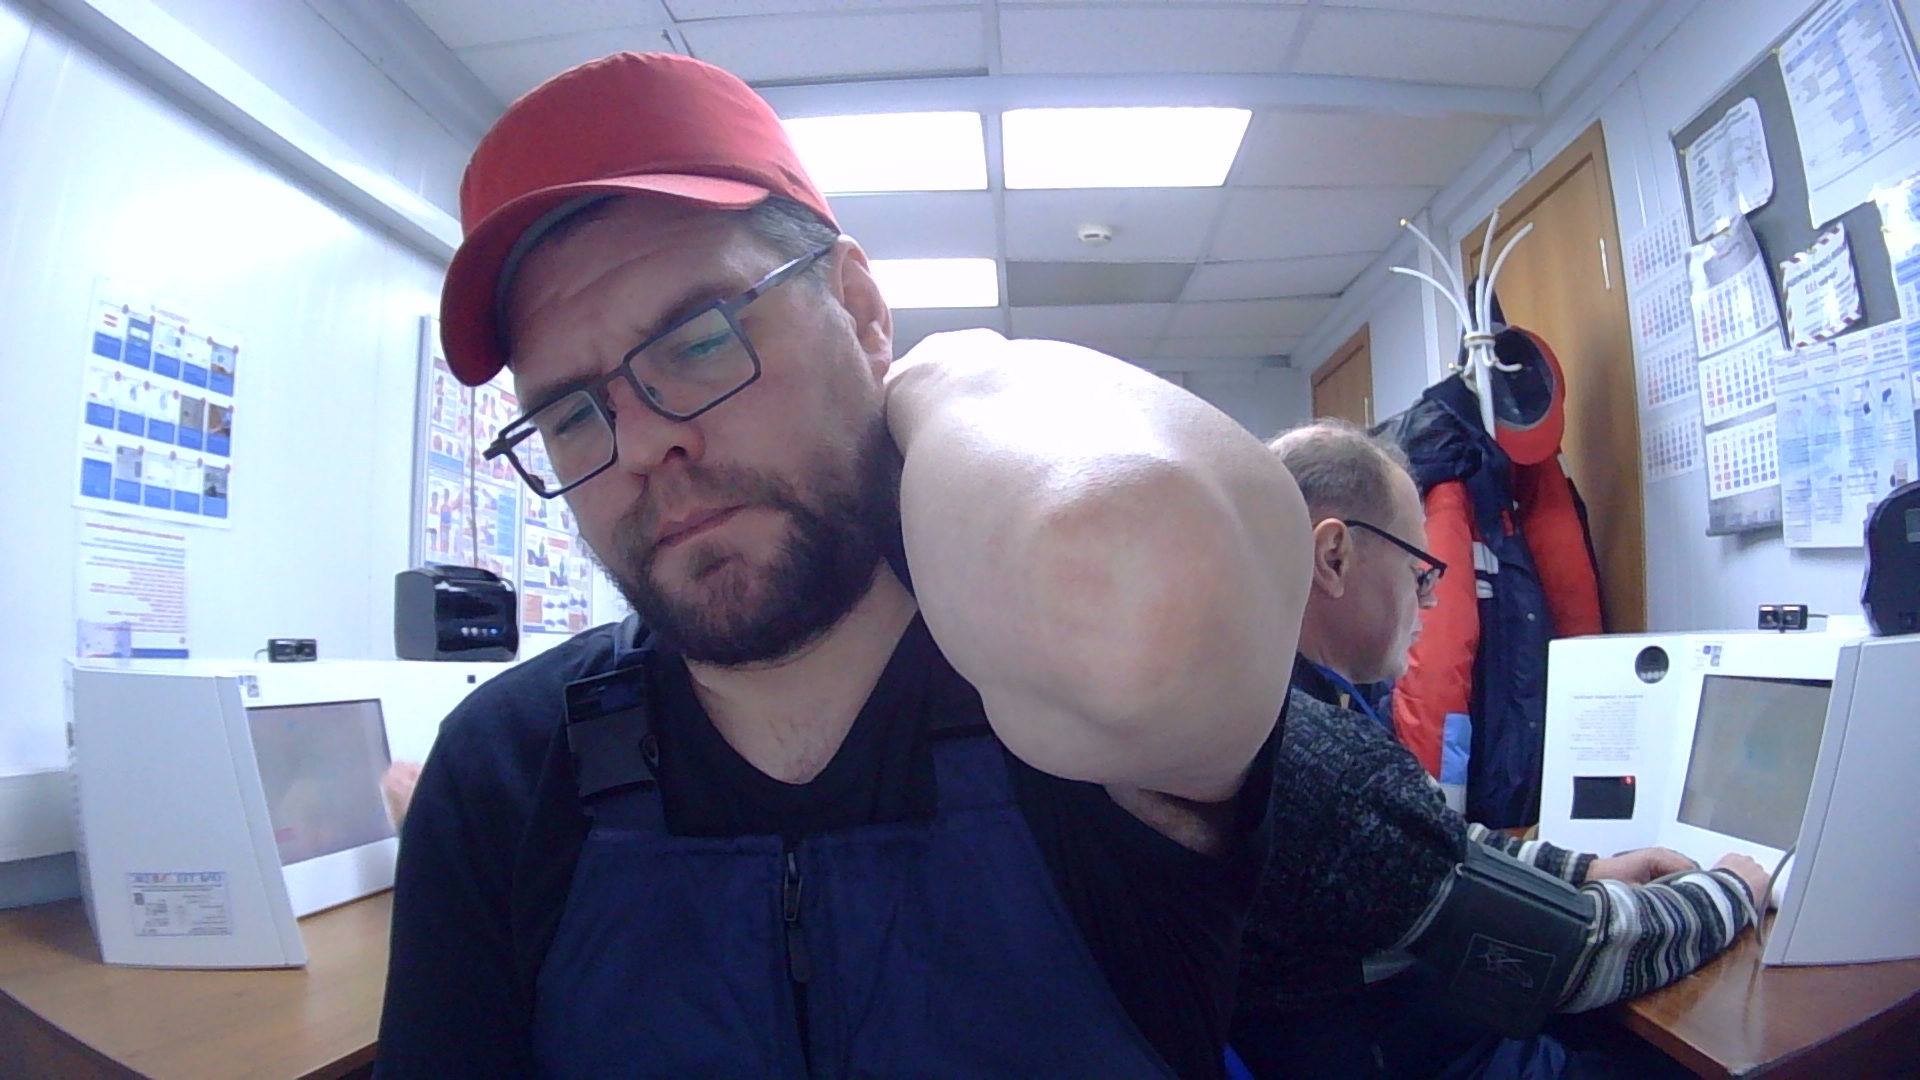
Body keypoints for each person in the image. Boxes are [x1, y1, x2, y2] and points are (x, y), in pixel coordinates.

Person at [376, 51, 1311, 1079]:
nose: (640, 445)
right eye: (570, 414)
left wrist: (947, 373)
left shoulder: (1062, 694)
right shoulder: (505, 777)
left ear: (860, 308)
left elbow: (1140, 586)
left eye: (698, 340)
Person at [1231, 419, 1769, 1080]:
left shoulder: (1260, 704)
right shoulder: (1329, 766)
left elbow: (1431, 844)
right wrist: (1733, 889)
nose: (1430, 599)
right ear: (1333, 557)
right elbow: (1576, 953)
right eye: (1418, 571)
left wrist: (1586, 871)